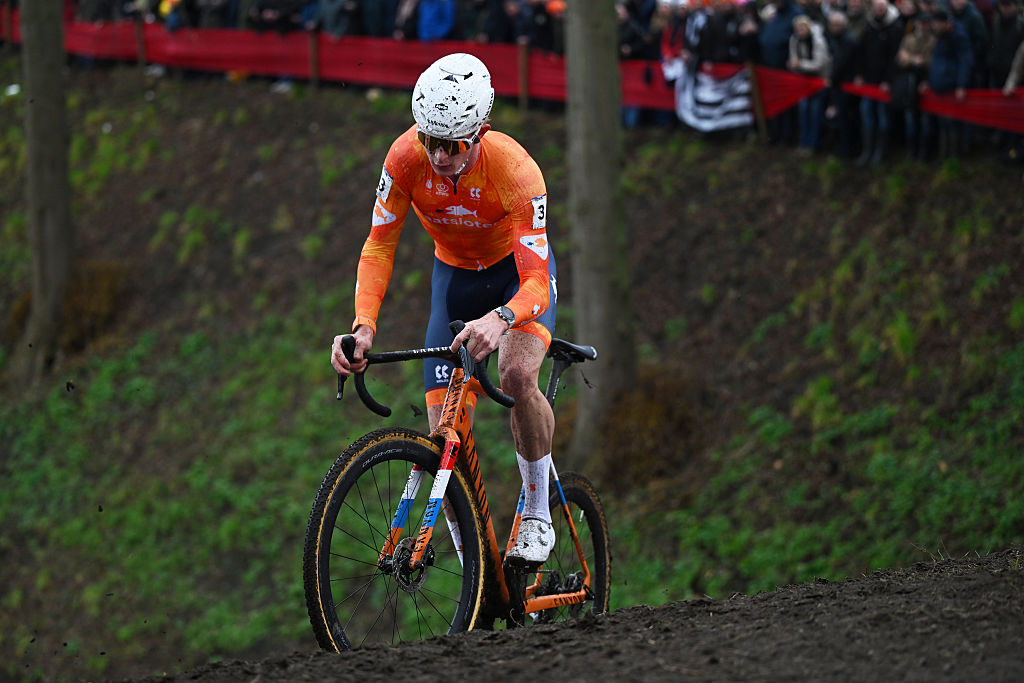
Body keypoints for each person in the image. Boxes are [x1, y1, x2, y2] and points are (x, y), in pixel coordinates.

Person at [331, 53, 560, 564]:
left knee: (517, 374)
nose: (437, 155)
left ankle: (538, 514)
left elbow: (535, 283)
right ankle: (476, 572)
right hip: (455, 282)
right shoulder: (403, 158)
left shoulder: (516, 171)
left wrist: (502, 318)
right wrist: (363, 327)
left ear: (481, 132)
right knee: (443, 432)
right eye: (428, 139)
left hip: (515, 280)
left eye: (451, 145)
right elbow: (378, 246)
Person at [853, 0, 903, 165]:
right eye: (876, 7)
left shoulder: (895, 27)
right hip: (868, 80)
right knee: (866, 114)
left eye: (882, 7)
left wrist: (888, 80)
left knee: (882, 116)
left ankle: (881, 151)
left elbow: (895, 58)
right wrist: (859, 74)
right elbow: (861, 51)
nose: (879, 10)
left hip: (884, 82)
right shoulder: (869, 26)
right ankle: (867, 149)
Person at [922, 8, 973, 158]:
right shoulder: (938, 36)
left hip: (951, 87)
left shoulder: (958, 36)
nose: (935, 26)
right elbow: (934, 62)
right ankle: (944, 155)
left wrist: (961, 85)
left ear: (945, 23)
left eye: (937, 23)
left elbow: (965, 61)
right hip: (938, 85)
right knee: (942, 122)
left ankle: (954, 156)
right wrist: (928, 81)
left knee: (951, 122)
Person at [788, 14, 831, 154]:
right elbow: (793, 59)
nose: (800, 31)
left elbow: (819, 64)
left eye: (803, 28)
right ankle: (803, 142)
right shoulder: (794, 40)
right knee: (803, 111)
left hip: (818, 81)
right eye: (798, 28)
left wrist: (800, 64)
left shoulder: (818, 41)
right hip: (803, 82)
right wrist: (794, 65)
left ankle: (813, 144)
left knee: (814, 112)